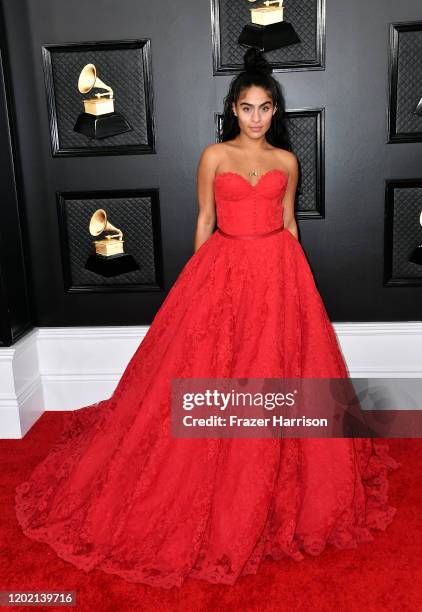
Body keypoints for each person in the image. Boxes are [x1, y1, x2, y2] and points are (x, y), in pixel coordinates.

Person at [14, 47, 400, 590]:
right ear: (233, 109)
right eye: (248, 108)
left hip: (277, 270)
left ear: (275, 113)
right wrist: (198, 286)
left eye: (266, 108)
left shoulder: (287, 162)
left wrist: (300, 287)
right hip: (224, 266)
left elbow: (290, 223)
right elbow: (205, 218)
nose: (258, 118)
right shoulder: (213, 156)